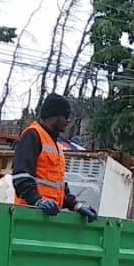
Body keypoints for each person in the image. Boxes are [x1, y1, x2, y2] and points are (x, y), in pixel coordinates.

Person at [12, 94, 97, 222]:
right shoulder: (32, 135)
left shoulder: (56, 146)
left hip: (48, 216)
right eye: (66, 117)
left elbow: (59, 188)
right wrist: (37, 201)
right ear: (54, 117)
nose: (68, 121)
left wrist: (76, 206)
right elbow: (21, 176)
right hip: (28, 215)